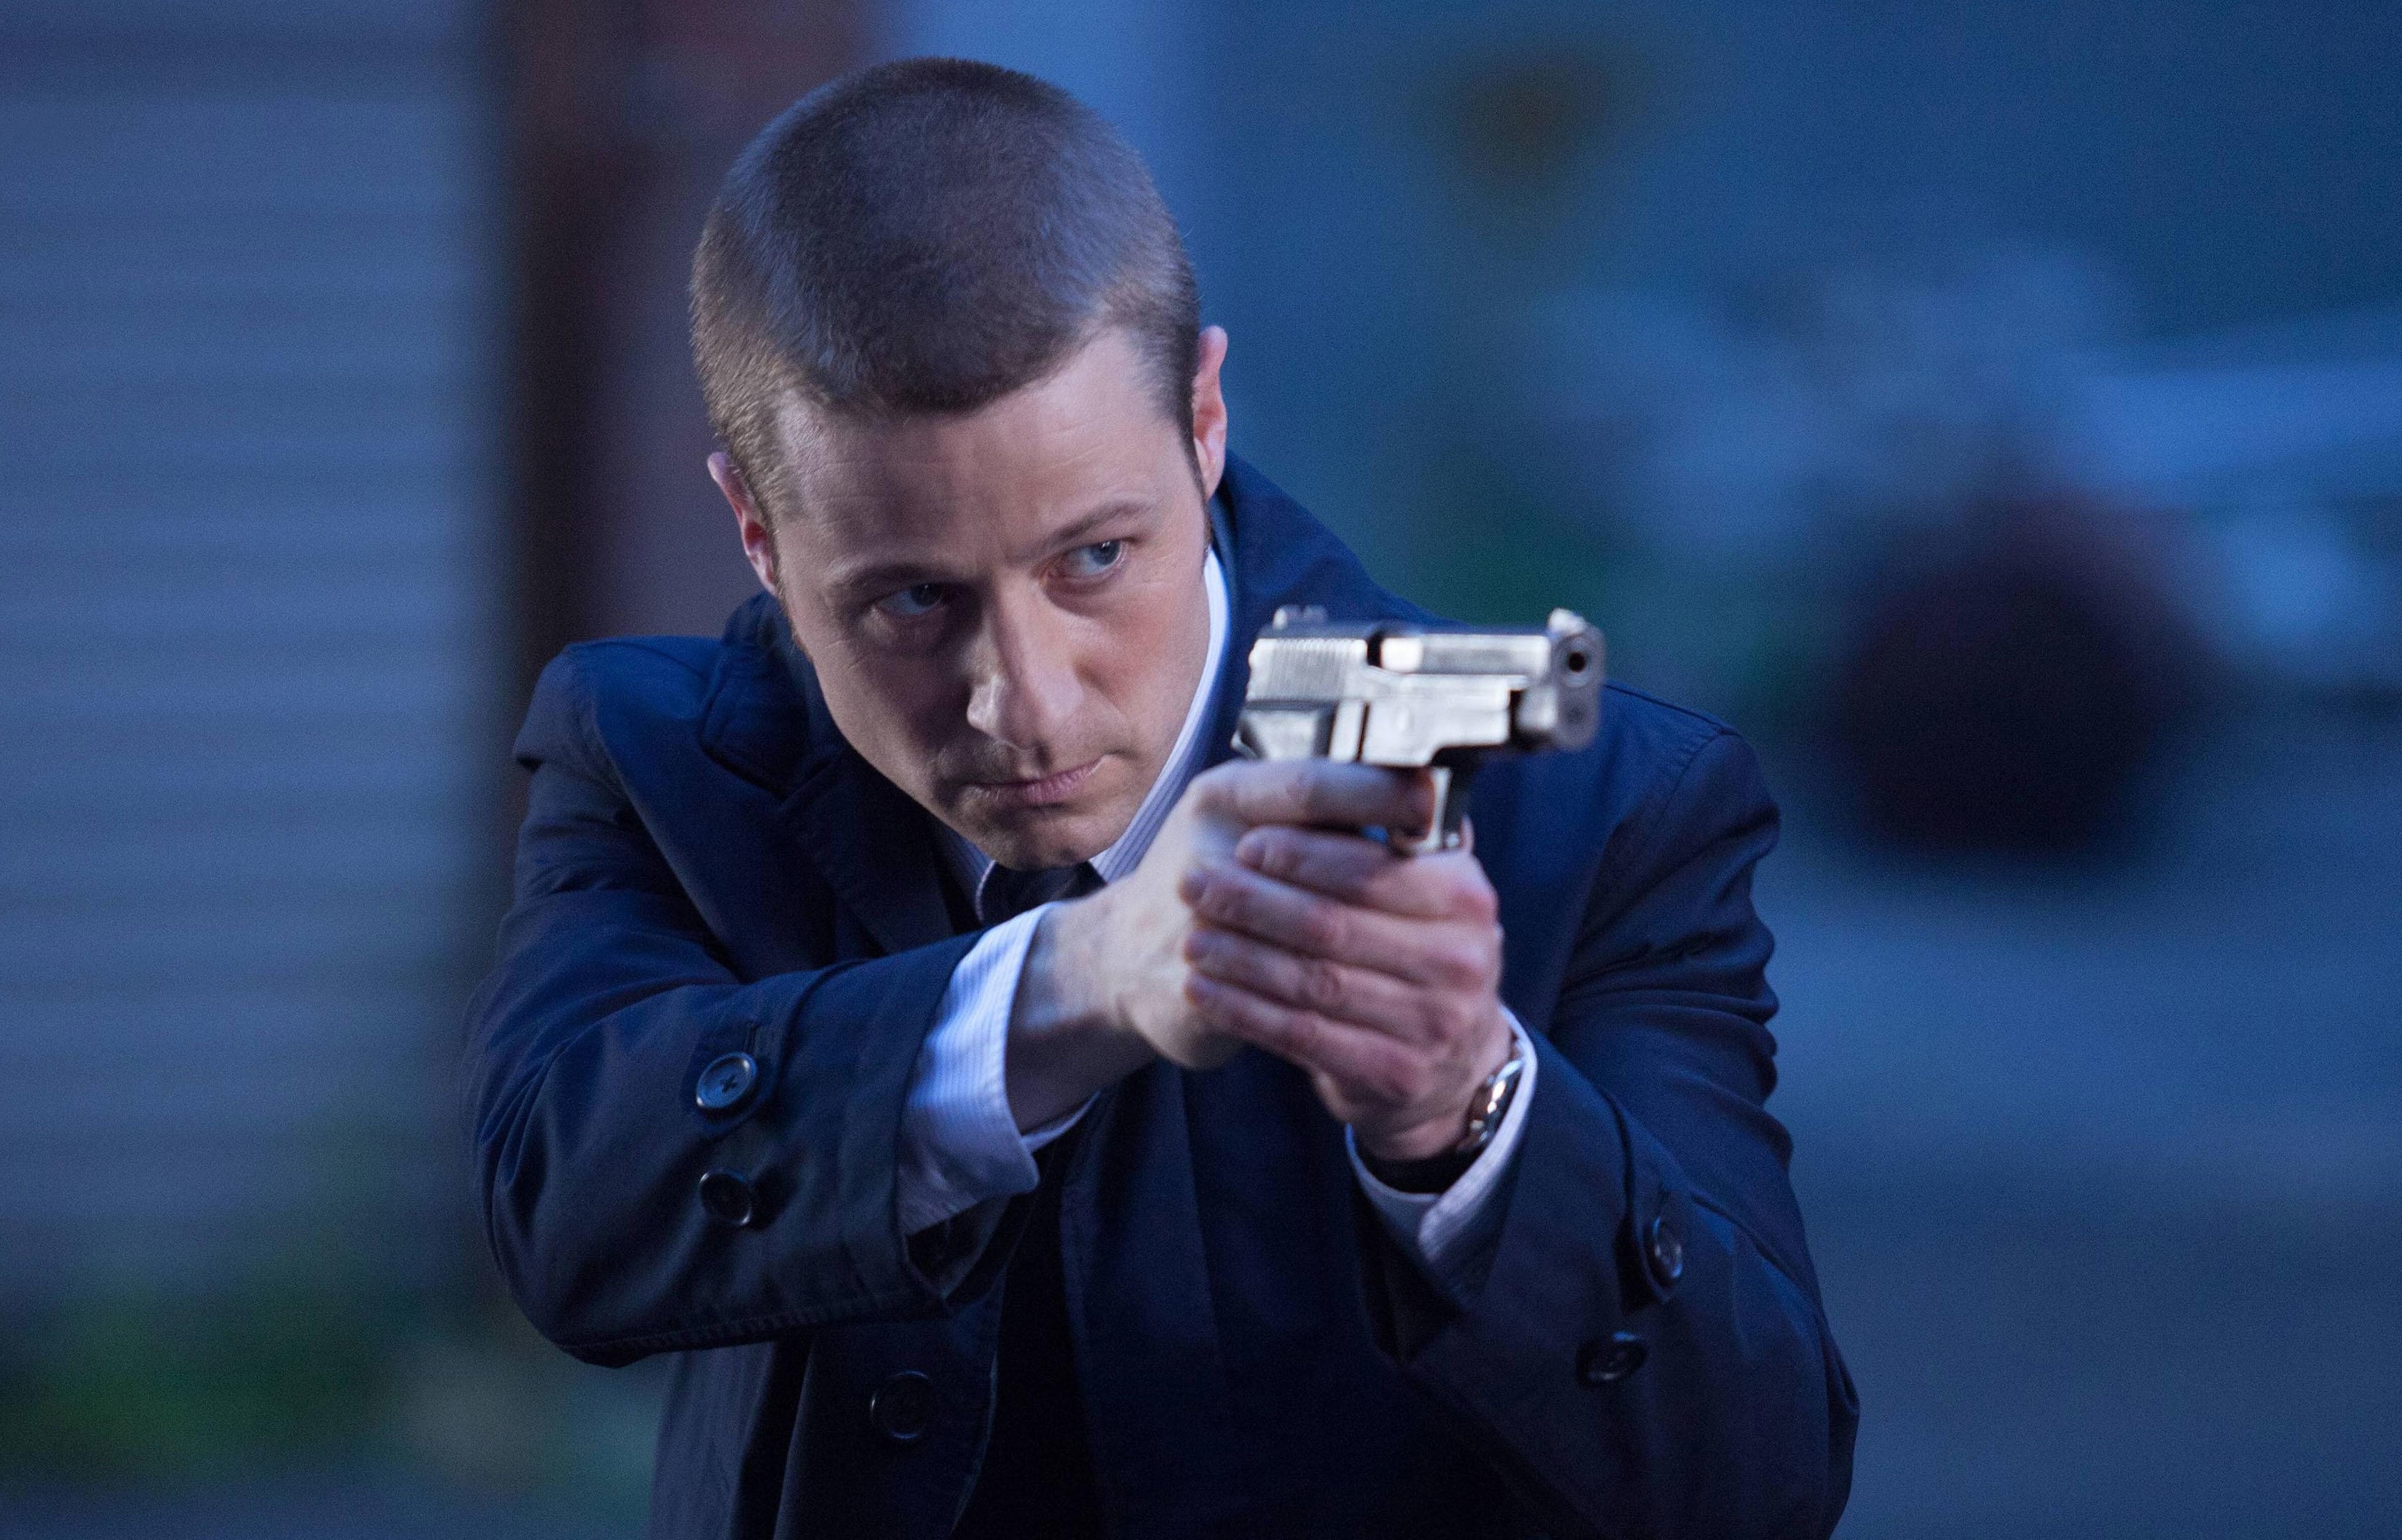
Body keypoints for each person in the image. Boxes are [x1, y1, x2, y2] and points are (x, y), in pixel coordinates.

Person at [465, 56, 1856, 1540]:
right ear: (756, 530)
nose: (1027, 705)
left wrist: (1472, 1118)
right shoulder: (663, 755)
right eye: (912, 602)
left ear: (1203, 419)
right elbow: (563, 1216)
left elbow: (1761, 1482)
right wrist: (1072, 983)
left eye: (1093, 559)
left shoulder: (1597, 805)